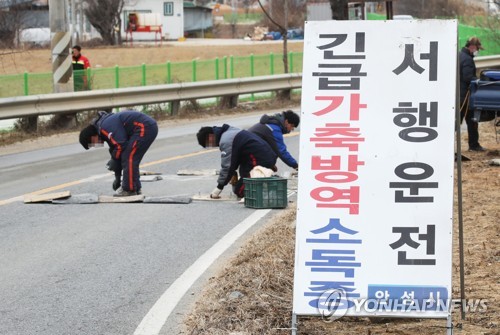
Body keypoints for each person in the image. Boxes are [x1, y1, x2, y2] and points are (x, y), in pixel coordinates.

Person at [79, 109, 158, 196]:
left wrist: (114, 159)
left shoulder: (105, 127)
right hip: (145, 127)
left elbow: (121, 146)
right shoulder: (104, 131)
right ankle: (135, 187)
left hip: (144, 126)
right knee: (129, 157)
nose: (95, 146)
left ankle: (129, 189)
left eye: (92, 144)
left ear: (92, 136)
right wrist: (117, 178)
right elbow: (117, 153)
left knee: (129, 157)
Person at [196, 124, 278, 199]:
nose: (212, 146)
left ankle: (269, 182)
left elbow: (227, 166)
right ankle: (264, 176)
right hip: (262, 156)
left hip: (260, 159)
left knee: (239, 191)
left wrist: (219, 187)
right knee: (242, 173)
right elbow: (234, 159)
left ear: (210, 137)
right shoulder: (230, 131)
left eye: (209, 144)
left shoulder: (225, 141)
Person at [459, 36, 485, 152]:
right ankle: (474, 145)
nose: (477, 51)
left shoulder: (460, 55)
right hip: (465, 96)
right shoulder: (468, 59)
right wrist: (479, 80)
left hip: (459, 94)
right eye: (477, 48)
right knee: (471, 120)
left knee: (466, 120)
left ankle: (474, 144)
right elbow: (468, 77)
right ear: (472, 47)